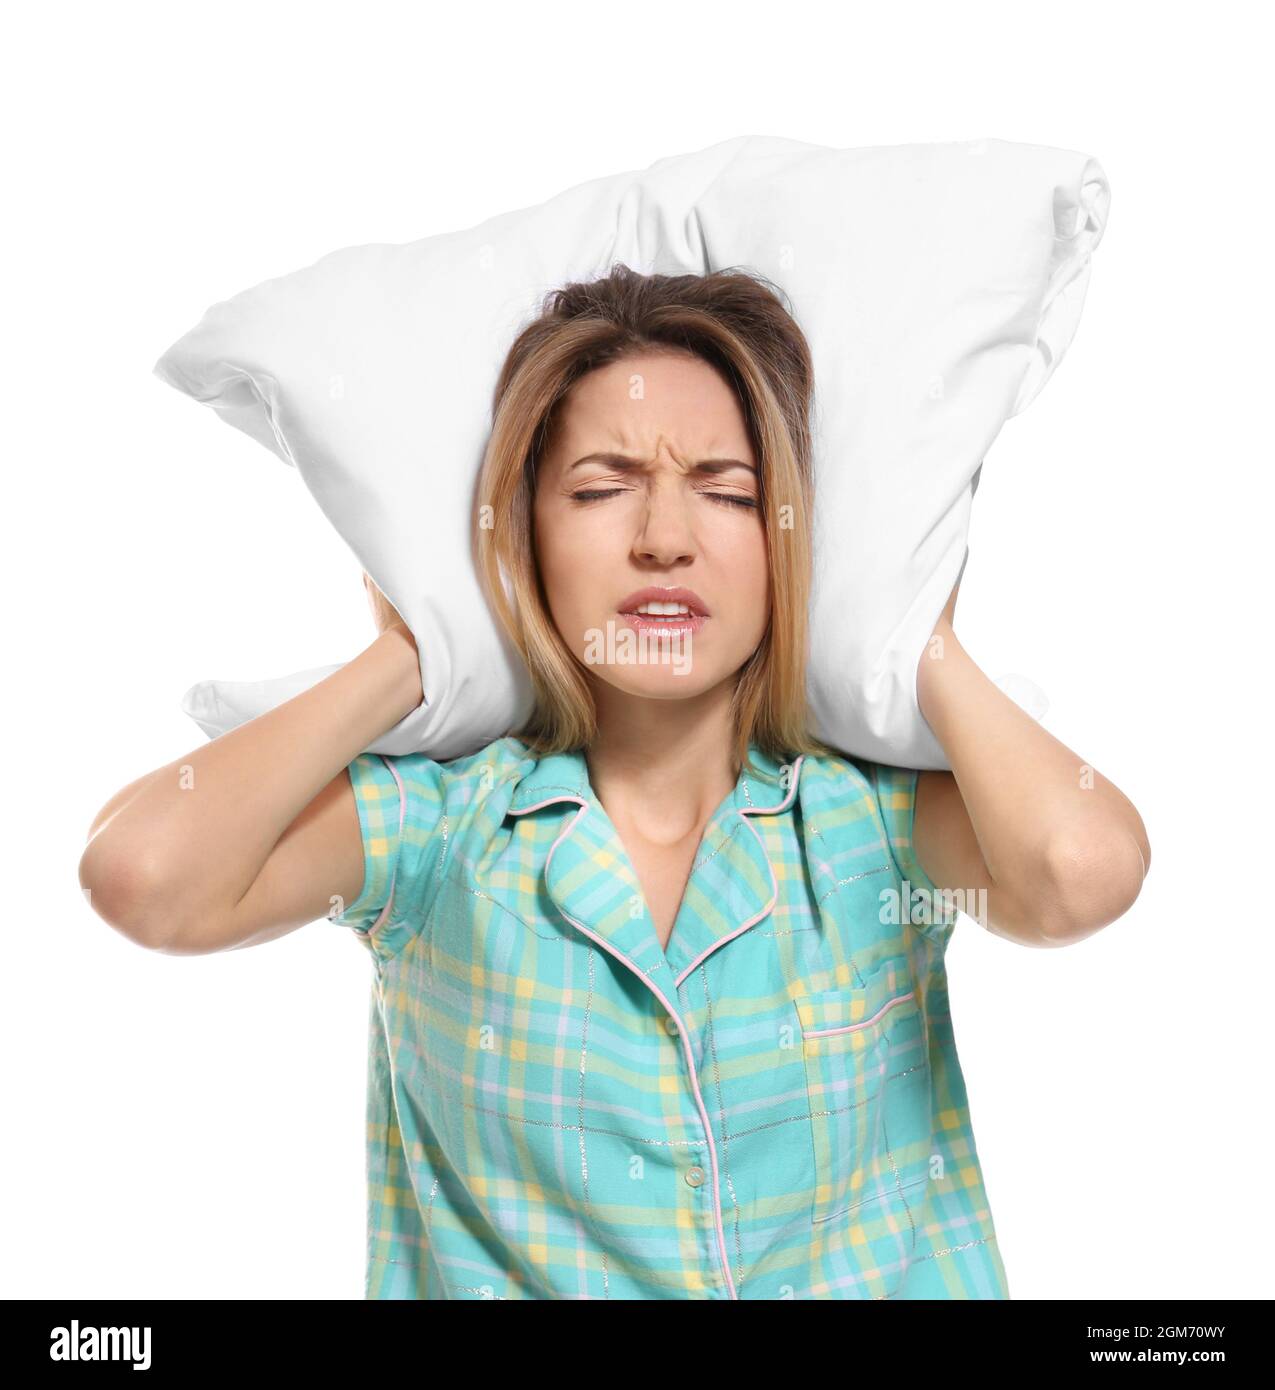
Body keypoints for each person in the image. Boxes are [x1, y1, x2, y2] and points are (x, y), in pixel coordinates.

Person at [79, 264, 1151, 1300]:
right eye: (601, 489)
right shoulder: (442, 833)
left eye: (728, 494)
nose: (664, 541)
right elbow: (143, 874)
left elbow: (1081, 871)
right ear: (523, 533)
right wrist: (417, 651)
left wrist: (913, 635)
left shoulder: (870, 823)